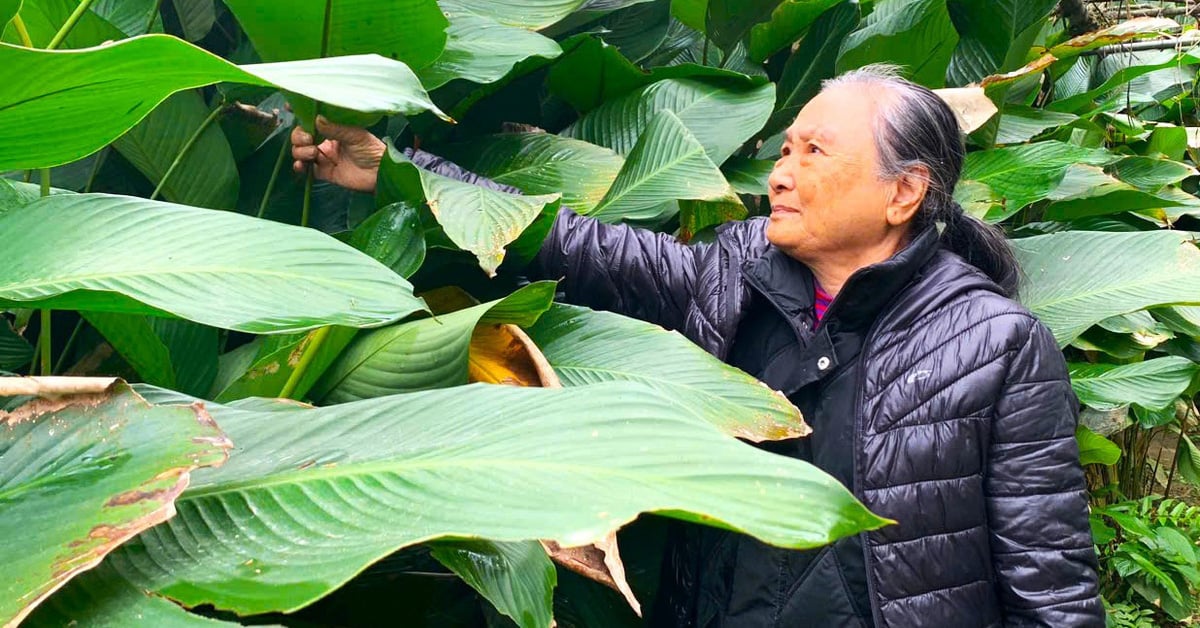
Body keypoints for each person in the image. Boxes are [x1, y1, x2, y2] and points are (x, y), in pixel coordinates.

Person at [293, 65, 1104, 627]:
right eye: (785, 148)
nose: (779, 174)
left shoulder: (998, 347)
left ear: (903, 191)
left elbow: (1049, 584)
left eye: (813, 152)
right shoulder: (737, 271)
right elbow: (577, 245)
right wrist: (402, 168)